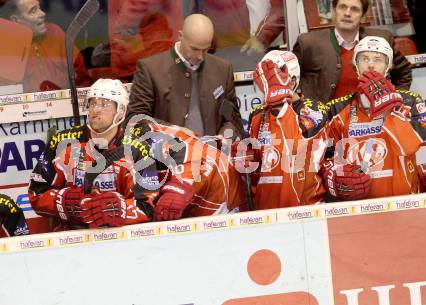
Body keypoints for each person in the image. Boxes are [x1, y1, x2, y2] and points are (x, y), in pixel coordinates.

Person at [28, 78, 195, 230]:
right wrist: (63, 201)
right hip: (73, 236)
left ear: (121, 112)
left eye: (105, 104)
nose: (96, 110)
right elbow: (36, 193)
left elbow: (147, 206)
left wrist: (120, 211)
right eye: (92, 103)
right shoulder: (62, 141)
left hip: (122, 237)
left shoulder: (138, 147)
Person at [322, 36, 426, 201]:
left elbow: (408, 146)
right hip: (355, 207)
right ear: (355, 65)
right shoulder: (335, 109)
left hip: (405, 203)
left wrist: (386, 107)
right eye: (364, 58)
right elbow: (325, 158)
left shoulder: (409, 101)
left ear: (388, 66)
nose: (371, 64)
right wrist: (335, 177)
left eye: (378, 59)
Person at [127, 14, 243, 140]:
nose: (200, 56)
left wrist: (225, 137)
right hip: (165, 156)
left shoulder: (222, 69)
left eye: (205, 50)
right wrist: (172, 131)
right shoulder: (150, 69)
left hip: (212, 156)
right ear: (181, 36)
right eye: (194, 49)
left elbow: (231, 119)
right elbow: (135, 119)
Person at [238, 50, 328, 210]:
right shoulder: (257, 115)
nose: (269, 85)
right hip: (266, 210)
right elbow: (256, 167)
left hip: (307, 208)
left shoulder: (314, 108)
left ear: (293, 81)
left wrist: (280, 100)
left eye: (276, 78)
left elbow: (296, 145)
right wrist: (245, 158)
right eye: (266, 80)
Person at [292, 0, 412, 103]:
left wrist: (396, 99)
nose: (347, 13)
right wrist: (301, 108)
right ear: (334, 10)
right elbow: (284, 79)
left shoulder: (381, 40)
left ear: (363, 16)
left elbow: (404, 72)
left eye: (354, 9)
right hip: (325, 125)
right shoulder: (308, 43)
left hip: (372, 122)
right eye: (342, 7)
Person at [0, 0, 91, 92]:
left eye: (40, 8)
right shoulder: (5, 51)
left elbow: (83, 81)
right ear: (16, 20)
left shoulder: (55, 33)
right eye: (33, 11)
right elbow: (7, 97)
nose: (42, 14)